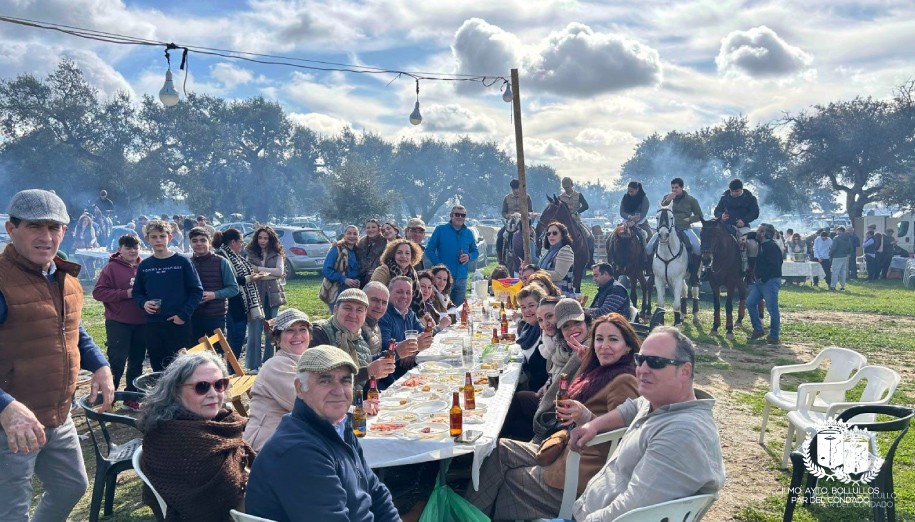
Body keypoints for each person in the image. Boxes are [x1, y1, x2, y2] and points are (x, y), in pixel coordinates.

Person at [0, 190, 115, 522]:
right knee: (11, 512)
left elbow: (73, 330)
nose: (46, 237)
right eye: (35, 227)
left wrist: (101, 366)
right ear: (12, 229)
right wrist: (5, 406)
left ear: (65, 230)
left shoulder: (65, 276)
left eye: (55, 227)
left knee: (71, 486)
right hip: (10, 424)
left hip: (57, 413)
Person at [467, 313, 640, 520]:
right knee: (499, 448)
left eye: (613, 339)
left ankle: (470, 514)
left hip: (579, 471)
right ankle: (467, 514)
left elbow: (623, 439)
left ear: (628, 346)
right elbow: (572, 388)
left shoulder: (624, 380)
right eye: (599, 339)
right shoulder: (601, 371)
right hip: (562, 451)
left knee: (508, 479)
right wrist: (585, 362)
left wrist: (586, 417)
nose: (604, 346)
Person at [568, 326, 725, 520]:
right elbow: (632, 408)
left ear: (685, 371)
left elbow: (631, 510)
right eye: (640, 360)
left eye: (655, 362)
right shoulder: (662, 401)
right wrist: (593, 425)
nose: (642, 369)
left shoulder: (682, 434)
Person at [245, 346, 400, 522]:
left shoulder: (340, 427)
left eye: (345, 380)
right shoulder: (298, 452)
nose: (339, 391)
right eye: (325, 381)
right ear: (300, 388)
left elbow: (376, 493)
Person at [137, 351, 255, 521]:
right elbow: (220, 500)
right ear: (176, 391)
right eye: (202, 386)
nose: (213, 393)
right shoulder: (176, 441)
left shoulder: (221, 423)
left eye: (220, 384)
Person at [502, 297, 588, 442]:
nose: (545, 324)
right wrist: (547, 385)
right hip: (552, 401)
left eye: (549, 316)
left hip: (561, 413)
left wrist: (549, 389)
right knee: (512, 403)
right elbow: (554, 374)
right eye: (540, 319)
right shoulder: (558, 345)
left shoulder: (585, 350)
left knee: (513, 409)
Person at [133, 219, 203, 371]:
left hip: (179, 324)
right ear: (147, 239)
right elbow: (137, 292)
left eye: (162, 236)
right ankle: (162, 395)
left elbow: (197, 291)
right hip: (153, 324)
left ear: (170, 238)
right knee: (157, 368)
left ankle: (180, 396)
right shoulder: (145, 265)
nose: (158, 240)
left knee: (181, 368)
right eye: (154, 237)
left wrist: (183, 315)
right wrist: (143, 303)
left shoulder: (182, 261)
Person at [244, 308, 312, 451]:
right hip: (266, 447)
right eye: (290, 330)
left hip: (291, 440)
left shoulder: (303, 361)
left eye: (302, 329)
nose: (297, 335)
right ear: (277, 338)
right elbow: (307, 406)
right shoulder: (276, 365)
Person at [92, 234, 146, 408]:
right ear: (120, 250)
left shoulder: (144, 266)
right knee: (117, 361)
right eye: (128, 247)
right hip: (118, 321)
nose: (132, 251)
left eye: (135, 247)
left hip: (142, 322)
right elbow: (98, 293)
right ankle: (109, 398)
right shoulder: (111, 268)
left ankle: (132, 398)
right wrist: (125, 294)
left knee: (137, 362)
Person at [310, 288, 396, 392]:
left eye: (359, 310)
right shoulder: (319, 333)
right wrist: (368, 372)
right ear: (335, 309)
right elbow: (322, 382)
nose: (353, 315)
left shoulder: (360, 338)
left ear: (365, 314)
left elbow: (364, 385)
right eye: (347, 308)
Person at [214, 229, 266, 363]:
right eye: (241, 242)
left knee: (238, 338)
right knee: (235, 339)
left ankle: (232, 367)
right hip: (231, 304)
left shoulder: (236, 256)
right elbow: (229, 281)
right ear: (233, 242)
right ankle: (231, 369)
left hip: (241, 303)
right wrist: (249, 278)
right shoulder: (222, 257)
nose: (242, 245)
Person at [245, 226, 287, 371]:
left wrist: (260, 270)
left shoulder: (277, 253)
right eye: (260, 238)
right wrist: (269, 273)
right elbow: (250, 272)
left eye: (266, 238)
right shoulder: (249, 252)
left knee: (271, 331)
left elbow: (280, 272)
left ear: (271, 239)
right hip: (255, 296)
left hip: (273, 296)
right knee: (254, 331)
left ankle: (269, 363)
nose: (263, 241)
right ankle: (253, 365)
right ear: (256, 239)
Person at [378, 277, 434, 385]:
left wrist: (413, 351)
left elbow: (426, 337)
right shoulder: (383, 315)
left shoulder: (410, 314)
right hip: (392, 378)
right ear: (389, 294)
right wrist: (412, 348)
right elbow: (385, 346)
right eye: (399, 292)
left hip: (411, 373)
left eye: (408, 293)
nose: (404, 296)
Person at [189, 227, 240, 341]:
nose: (199, 244)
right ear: (190, 243)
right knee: (195, 353)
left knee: (219, 352)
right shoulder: (188, 263)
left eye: (203, 240)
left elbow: (233, 288)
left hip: (216, 315)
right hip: (193, 316)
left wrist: (214, 294)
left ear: (209, 242)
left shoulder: (221, 262)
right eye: (195, 241)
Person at [426, 205, 479, 306]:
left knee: (458, 310)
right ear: (451, 215)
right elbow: (429, 250)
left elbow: (475, 252)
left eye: (463, 215)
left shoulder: (468, 233)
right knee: (443, 307)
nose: (460, 217)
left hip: (462, 277)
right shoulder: (440, 230)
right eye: (457, 214)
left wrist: (469, 256)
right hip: (444, 279)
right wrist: (440, 266)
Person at [646, 177, 703, 258]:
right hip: (666, 228)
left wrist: (689, 220)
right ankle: (650, 269)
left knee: (697, 248)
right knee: (649, 248)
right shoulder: (667, 197)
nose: (674, 190)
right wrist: (667, 200)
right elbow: (660, 212)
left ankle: (696, 269)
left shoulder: (691, 200)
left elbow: (700, 216)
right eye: (672, 187)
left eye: (676, 187)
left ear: (682, 187)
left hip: (684, 228)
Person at [713, 179, 760, 274]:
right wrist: (721, 215)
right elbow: (716, 211)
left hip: (742, 227)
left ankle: (750, 272)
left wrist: (744, 220)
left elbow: (755, 212)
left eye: (736, 191)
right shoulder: (724, 198)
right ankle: (709, 269)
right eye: (732, 191)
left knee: (752, 245)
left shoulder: (750, 199)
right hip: (726, 227)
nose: (733, 193)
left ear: (741, 190)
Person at [747, 224, 784, 345]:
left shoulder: (771, 247)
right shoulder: (763, 244)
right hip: (761, 281)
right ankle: (758, 329)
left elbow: (775, 266)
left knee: (772, 309)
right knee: (750, 302)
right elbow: (752, 235)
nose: (756, 232)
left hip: (770, 281)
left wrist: (763, 277)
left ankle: (774, 335)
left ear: (763, 233)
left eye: (759, 230)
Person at [371, 238, 424, 312]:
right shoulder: (383, 271)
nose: (404, 256)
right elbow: (374, 295)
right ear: (393, 255)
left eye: (407, 253)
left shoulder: (412, 273)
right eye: (399, 252)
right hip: (384, 312)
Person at [515, 285, 548, 392]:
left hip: (537, 390)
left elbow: (542, 374)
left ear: (541, 305)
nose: (527, 311)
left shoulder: (546, 331)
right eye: (523, 307)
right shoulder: (528, 327)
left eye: (531, 305)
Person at [321, 224, 360, 312]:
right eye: (349, 233)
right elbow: (326, 270)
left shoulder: (358, 251)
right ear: (344, 235)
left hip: (353, 291)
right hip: (336, 291)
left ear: (358, 236)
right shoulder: (336, 249)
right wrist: (344, 279)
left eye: (355, 234)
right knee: (337, 318)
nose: (352, 236)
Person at [538, 221, 575, 296]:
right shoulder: (548, 252)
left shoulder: (565, 251)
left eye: (555, 233)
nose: (551, 235)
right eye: (548, 234)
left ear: (562, 235)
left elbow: (559, 275)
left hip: (561, 295)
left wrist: (536, 272)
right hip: (547, 294)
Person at [618, 180, 650, 245]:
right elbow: (622, 212)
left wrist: (635, 221)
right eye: (628, 191)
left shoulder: (644, 199)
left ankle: (647, 253)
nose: (630, 193)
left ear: (637, 189)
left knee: (649, 236)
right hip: (626, 221)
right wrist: (630, 217)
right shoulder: (625, 198)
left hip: (641, 222)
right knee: (614, 236)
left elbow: (644, 213)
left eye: (631, 191)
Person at [356, 219, 386, 287]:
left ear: (379, 229)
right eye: (368, 228)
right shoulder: (361, 242)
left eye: (373, 227)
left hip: (378, 280)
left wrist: (378, 271)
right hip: (360, 280)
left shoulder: (385, 242)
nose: (370, 229)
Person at [828, 225, 853, 291]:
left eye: (837, 230)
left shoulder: (836, 238)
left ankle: (833, 286)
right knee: (843, 271)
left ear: (839, 231)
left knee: (835, 272)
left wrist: (830, 254)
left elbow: (834, 248)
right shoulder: (848, 238)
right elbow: (851, 247)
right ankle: (842, 286)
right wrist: (848, 253)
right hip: (844, 256)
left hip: (837, 256)